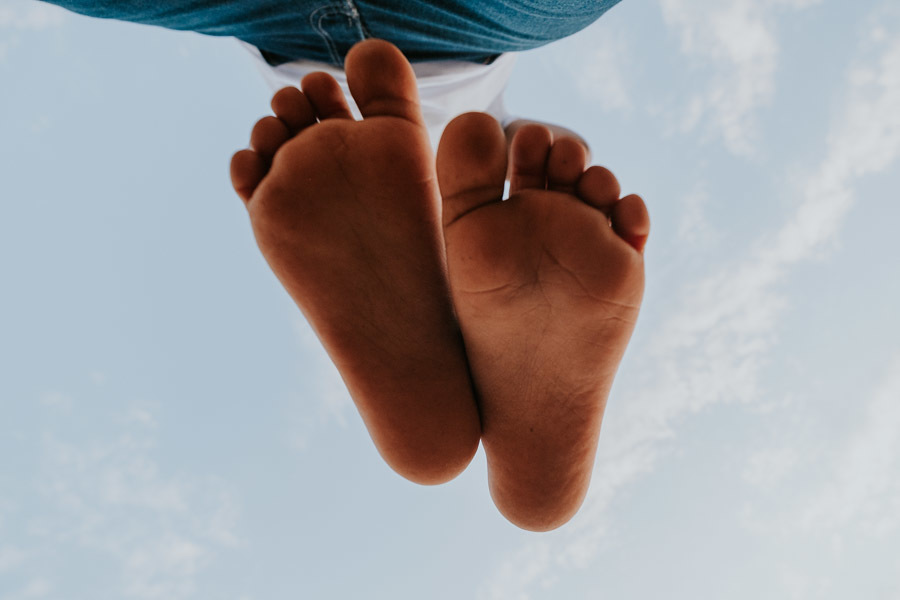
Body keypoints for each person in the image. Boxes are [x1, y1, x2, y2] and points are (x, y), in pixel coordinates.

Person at [41, 0, 649, 532]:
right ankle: (433, 191)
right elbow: (550, 173)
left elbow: (548, 164)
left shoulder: (508, 157)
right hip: (349, 43)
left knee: (495, 150)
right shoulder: (495, 163)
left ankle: (440, 197)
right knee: (486, 148)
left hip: (419, 46)